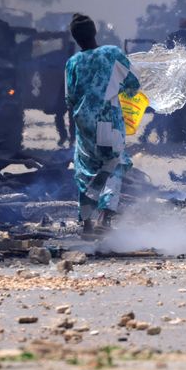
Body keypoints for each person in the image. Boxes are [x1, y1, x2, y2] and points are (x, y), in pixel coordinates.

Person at [65, 14, 140, 233]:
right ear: (94, 32)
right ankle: (104, 220)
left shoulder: (72, 62)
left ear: (75, 38)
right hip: (108, 122)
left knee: (85, 170)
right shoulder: (111, 53)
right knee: (113, 166)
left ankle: (87, 224)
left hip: (83, 125)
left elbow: (69, 99)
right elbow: (133, 84)